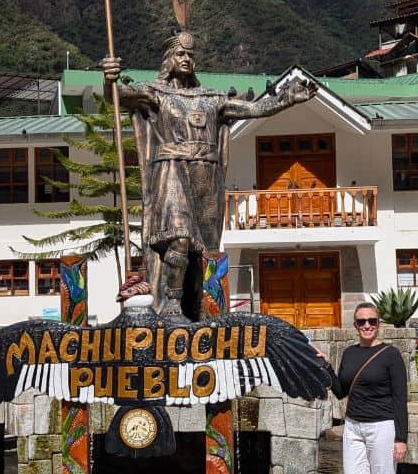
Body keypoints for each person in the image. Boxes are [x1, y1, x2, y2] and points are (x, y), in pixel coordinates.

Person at [102, 21, 315, 320]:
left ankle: (200, 308)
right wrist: (108, 79)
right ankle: (171, 305)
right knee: (178, 236)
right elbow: (115, 98)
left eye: (190, 54)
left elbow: (252, 110)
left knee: (202, 250)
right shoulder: (155, 93)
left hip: (206, 177)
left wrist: (286, 99)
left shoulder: (211, 98)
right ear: (169, 60)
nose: (187, 59)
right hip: (171, 170)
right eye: (180, 54)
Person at [329, 302, 408, 474]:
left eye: (371, 321)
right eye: (361, 322)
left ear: (379, 324)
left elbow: (400, 399)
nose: (366, 326)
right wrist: (324, 368)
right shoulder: (350, 353)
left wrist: (401, 438)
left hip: (382, 427)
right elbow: (340, 390)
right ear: (354, 326)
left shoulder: (391, 355)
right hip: (353, 426)